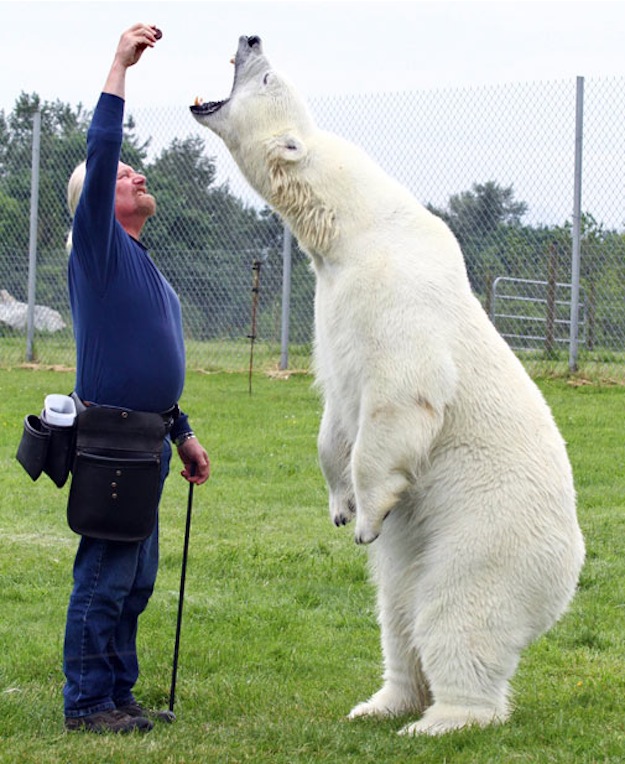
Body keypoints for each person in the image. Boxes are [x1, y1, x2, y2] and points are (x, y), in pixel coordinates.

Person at [63, 23, 210, 734]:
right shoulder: (96, 250)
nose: (137, 174)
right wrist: (119, 64)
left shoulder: (139, 263)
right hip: (114, 442)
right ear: (95, 200)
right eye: (124, 176)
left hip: (146, 440)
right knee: (104, 575)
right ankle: (87, 704)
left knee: (135, 581)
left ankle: (117, 695)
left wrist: (181, 434)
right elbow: (100, 145)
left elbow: (149, 361)